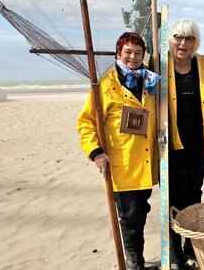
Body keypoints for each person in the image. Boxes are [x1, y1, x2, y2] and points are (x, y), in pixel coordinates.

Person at [77, 32, 159, 270]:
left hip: (146, 161)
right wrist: (96, 153)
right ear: (118, 53)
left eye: (138, 53)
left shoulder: (151, 82)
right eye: (128, 52)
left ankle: (139, 260)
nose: (133, 57)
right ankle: (135, 263)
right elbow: (85, 122)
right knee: (130, 217)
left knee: (141, 212)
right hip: (120, 164)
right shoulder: (104, 84)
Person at [167, 19, 204, 265]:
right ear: (171, 39)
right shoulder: (160, 65)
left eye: (189, 39)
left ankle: (190, 245)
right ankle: (175, 251)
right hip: (172, 145)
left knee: (193, 195)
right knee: (174, 198)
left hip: (198, 144)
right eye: (178, 37)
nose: (183, 43)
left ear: (196, 42)